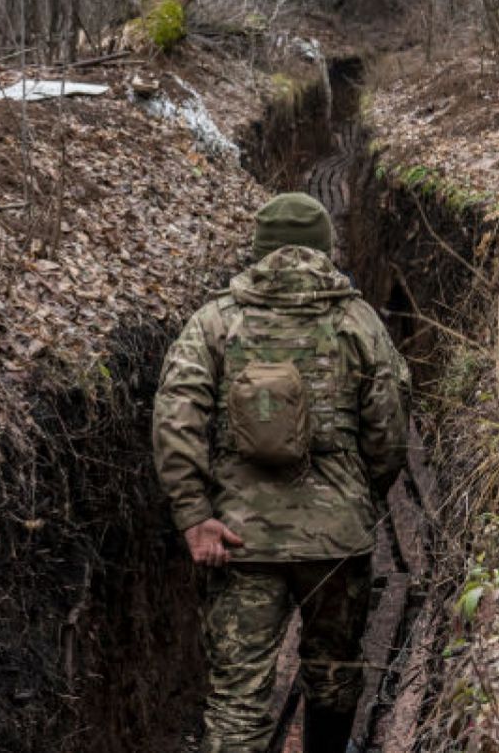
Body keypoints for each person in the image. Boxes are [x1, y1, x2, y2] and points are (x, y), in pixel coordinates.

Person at [154, 192, 411, 753]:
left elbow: (175, 419)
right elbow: (389, 429)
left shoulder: (215, 322)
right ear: (326, 247)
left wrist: (195, 516)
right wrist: (359, 498)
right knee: (334, 674)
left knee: (238, 702)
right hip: (337, 541)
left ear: (259, 249)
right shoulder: (356, 320)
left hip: (239, 541)